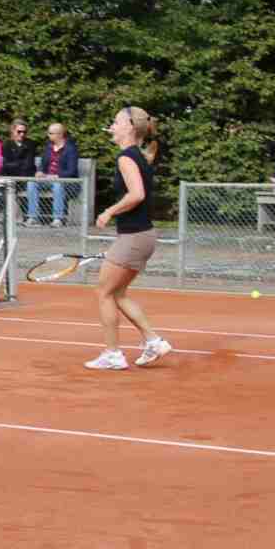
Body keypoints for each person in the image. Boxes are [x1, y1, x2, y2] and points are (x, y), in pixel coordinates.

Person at [86, 107, 170, 371]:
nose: (111, 126)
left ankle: (113, 354)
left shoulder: (126, 157)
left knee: (104, 292)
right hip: (141, 236)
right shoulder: (139, 156)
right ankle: (153, 341)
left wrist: (108, 212)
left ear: (130, 127)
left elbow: (137, 195)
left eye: (116, 122)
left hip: (134, 237)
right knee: (117, 293)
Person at [34, 122, 81, 227]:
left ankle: (57, 219)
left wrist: (57, 176)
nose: (48, 135)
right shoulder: (48, 147)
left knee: (57, 185)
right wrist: (40, 171)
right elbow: (42, 164)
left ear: (60, 134)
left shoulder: (71, 149)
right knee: (31, 183)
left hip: (67, 182)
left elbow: (72, 171)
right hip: (48, 180)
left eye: (51, 133)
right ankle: (33, 217)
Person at [0, 118, 39, 221]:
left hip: (26, 177)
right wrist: (19, 163)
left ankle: (28, 218)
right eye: (19, 131)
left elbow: (29, 165)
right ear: (13, 131)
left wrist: (15, 164)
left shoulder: (30, 144)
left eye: (24, 132)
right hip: (10, 177)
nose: (22, 134)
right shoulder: (7, 144)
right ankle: (12, 217)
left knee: (29, 185)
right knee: (7, 186)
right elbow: (5, 165)